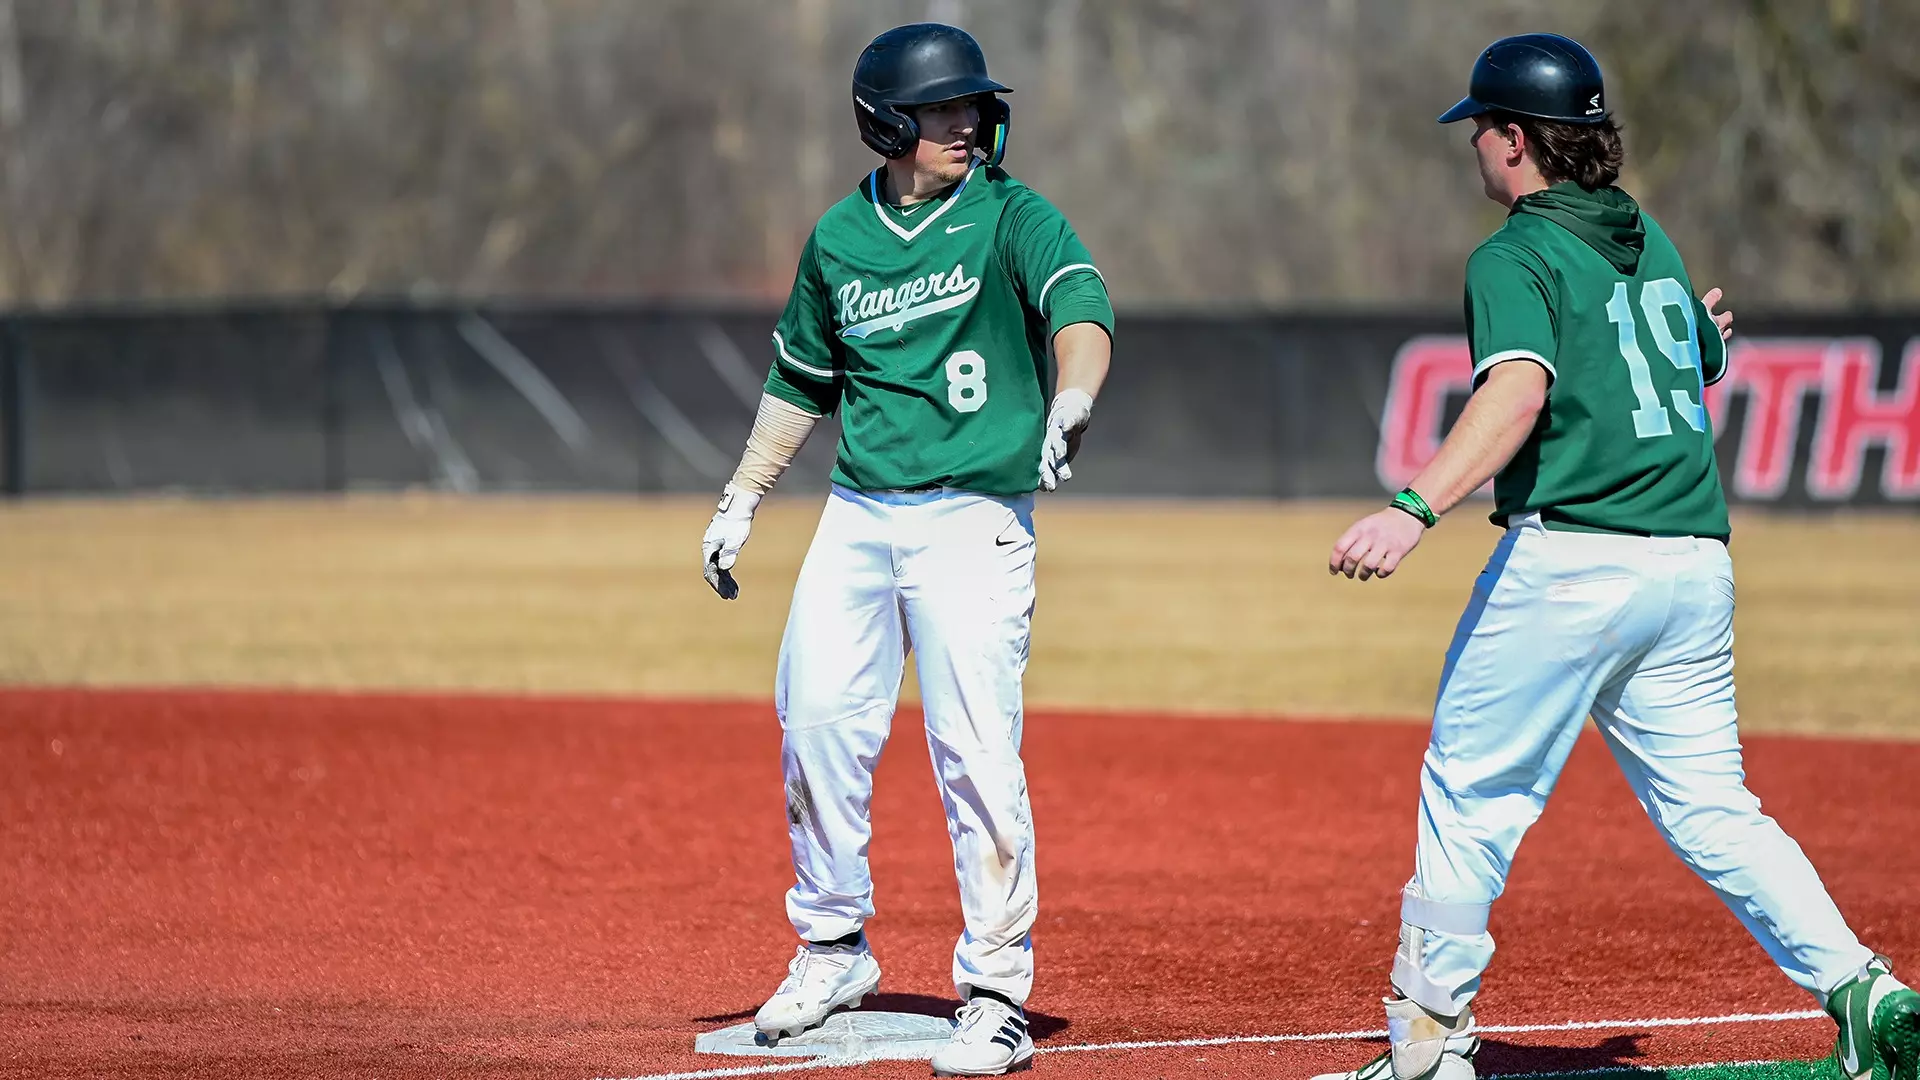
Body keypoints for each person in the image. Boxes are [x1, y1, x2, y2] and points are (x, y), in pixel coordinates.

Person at [1314, 32, 1918, 1080]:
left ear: (1513, 142)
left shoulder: (1514, 253)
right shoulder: (1648, 235)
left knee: (1471, 793)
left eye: (1484, 128)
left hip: (1577, 563)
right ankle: (1864, 987)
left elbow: (1517, 391)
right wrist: (1703, 340)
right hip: (1692, 567)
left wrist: (1416, 506)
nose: (1479, 146)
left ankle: (1426, 1045)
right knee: (1715, 807)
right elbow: (1689, 352)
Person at [698, 22, 1113, 1077]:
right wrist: (744, 495)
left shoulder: (1011, 215)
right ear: (886, 122)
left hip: (975, 518)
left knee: (975, 751)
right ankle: (832, 945)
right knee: (818, 721)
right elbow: (801, 379)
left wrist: (1072, 397)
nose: (967, 123)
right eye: (943, 110)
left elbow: (1081, 307)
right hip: (860, 513)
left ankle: (996, 992)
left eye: (973, 106)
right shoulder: (839, 237)